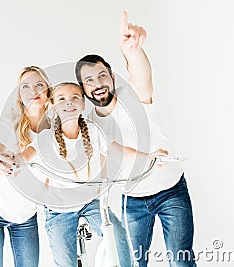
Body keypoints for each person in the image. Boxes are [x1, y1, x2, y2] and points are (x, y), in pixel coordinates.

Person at [75, 11, 196, 267]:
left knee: (181, 261)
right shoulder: (91, 125)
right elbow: (112, 152)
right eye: (89, 81)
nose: (97, 84)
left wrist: (132, 51)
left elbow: (142, 75)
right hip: (133, 200)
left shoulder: (133, 97)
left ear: (112, 77)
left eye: (101, 76)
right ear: (84, 90)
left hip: (171, 190)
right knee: (133, 263)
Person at [10, 82, 163, 267]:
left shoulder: (93, 131)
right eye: (62, 99)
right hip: (60, 209)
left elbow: (119, 150)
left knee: (117, 237)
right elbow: (23, 157)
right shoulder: (45, 138)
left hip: (89, 201)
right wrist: (9, 161)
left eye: (75, 97)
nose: (69, 102)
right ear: (53, 106)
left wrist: (149, 157)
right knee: (66, 262)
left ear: (83, 104)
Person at [0, 66, 52, 267]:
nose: (33, 91)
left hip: (25, 218)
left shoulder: (55, 132)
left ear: (48, 92)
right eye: (25, 86)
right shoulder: (7, 124)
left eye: (39, 84)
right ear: (19, 96)